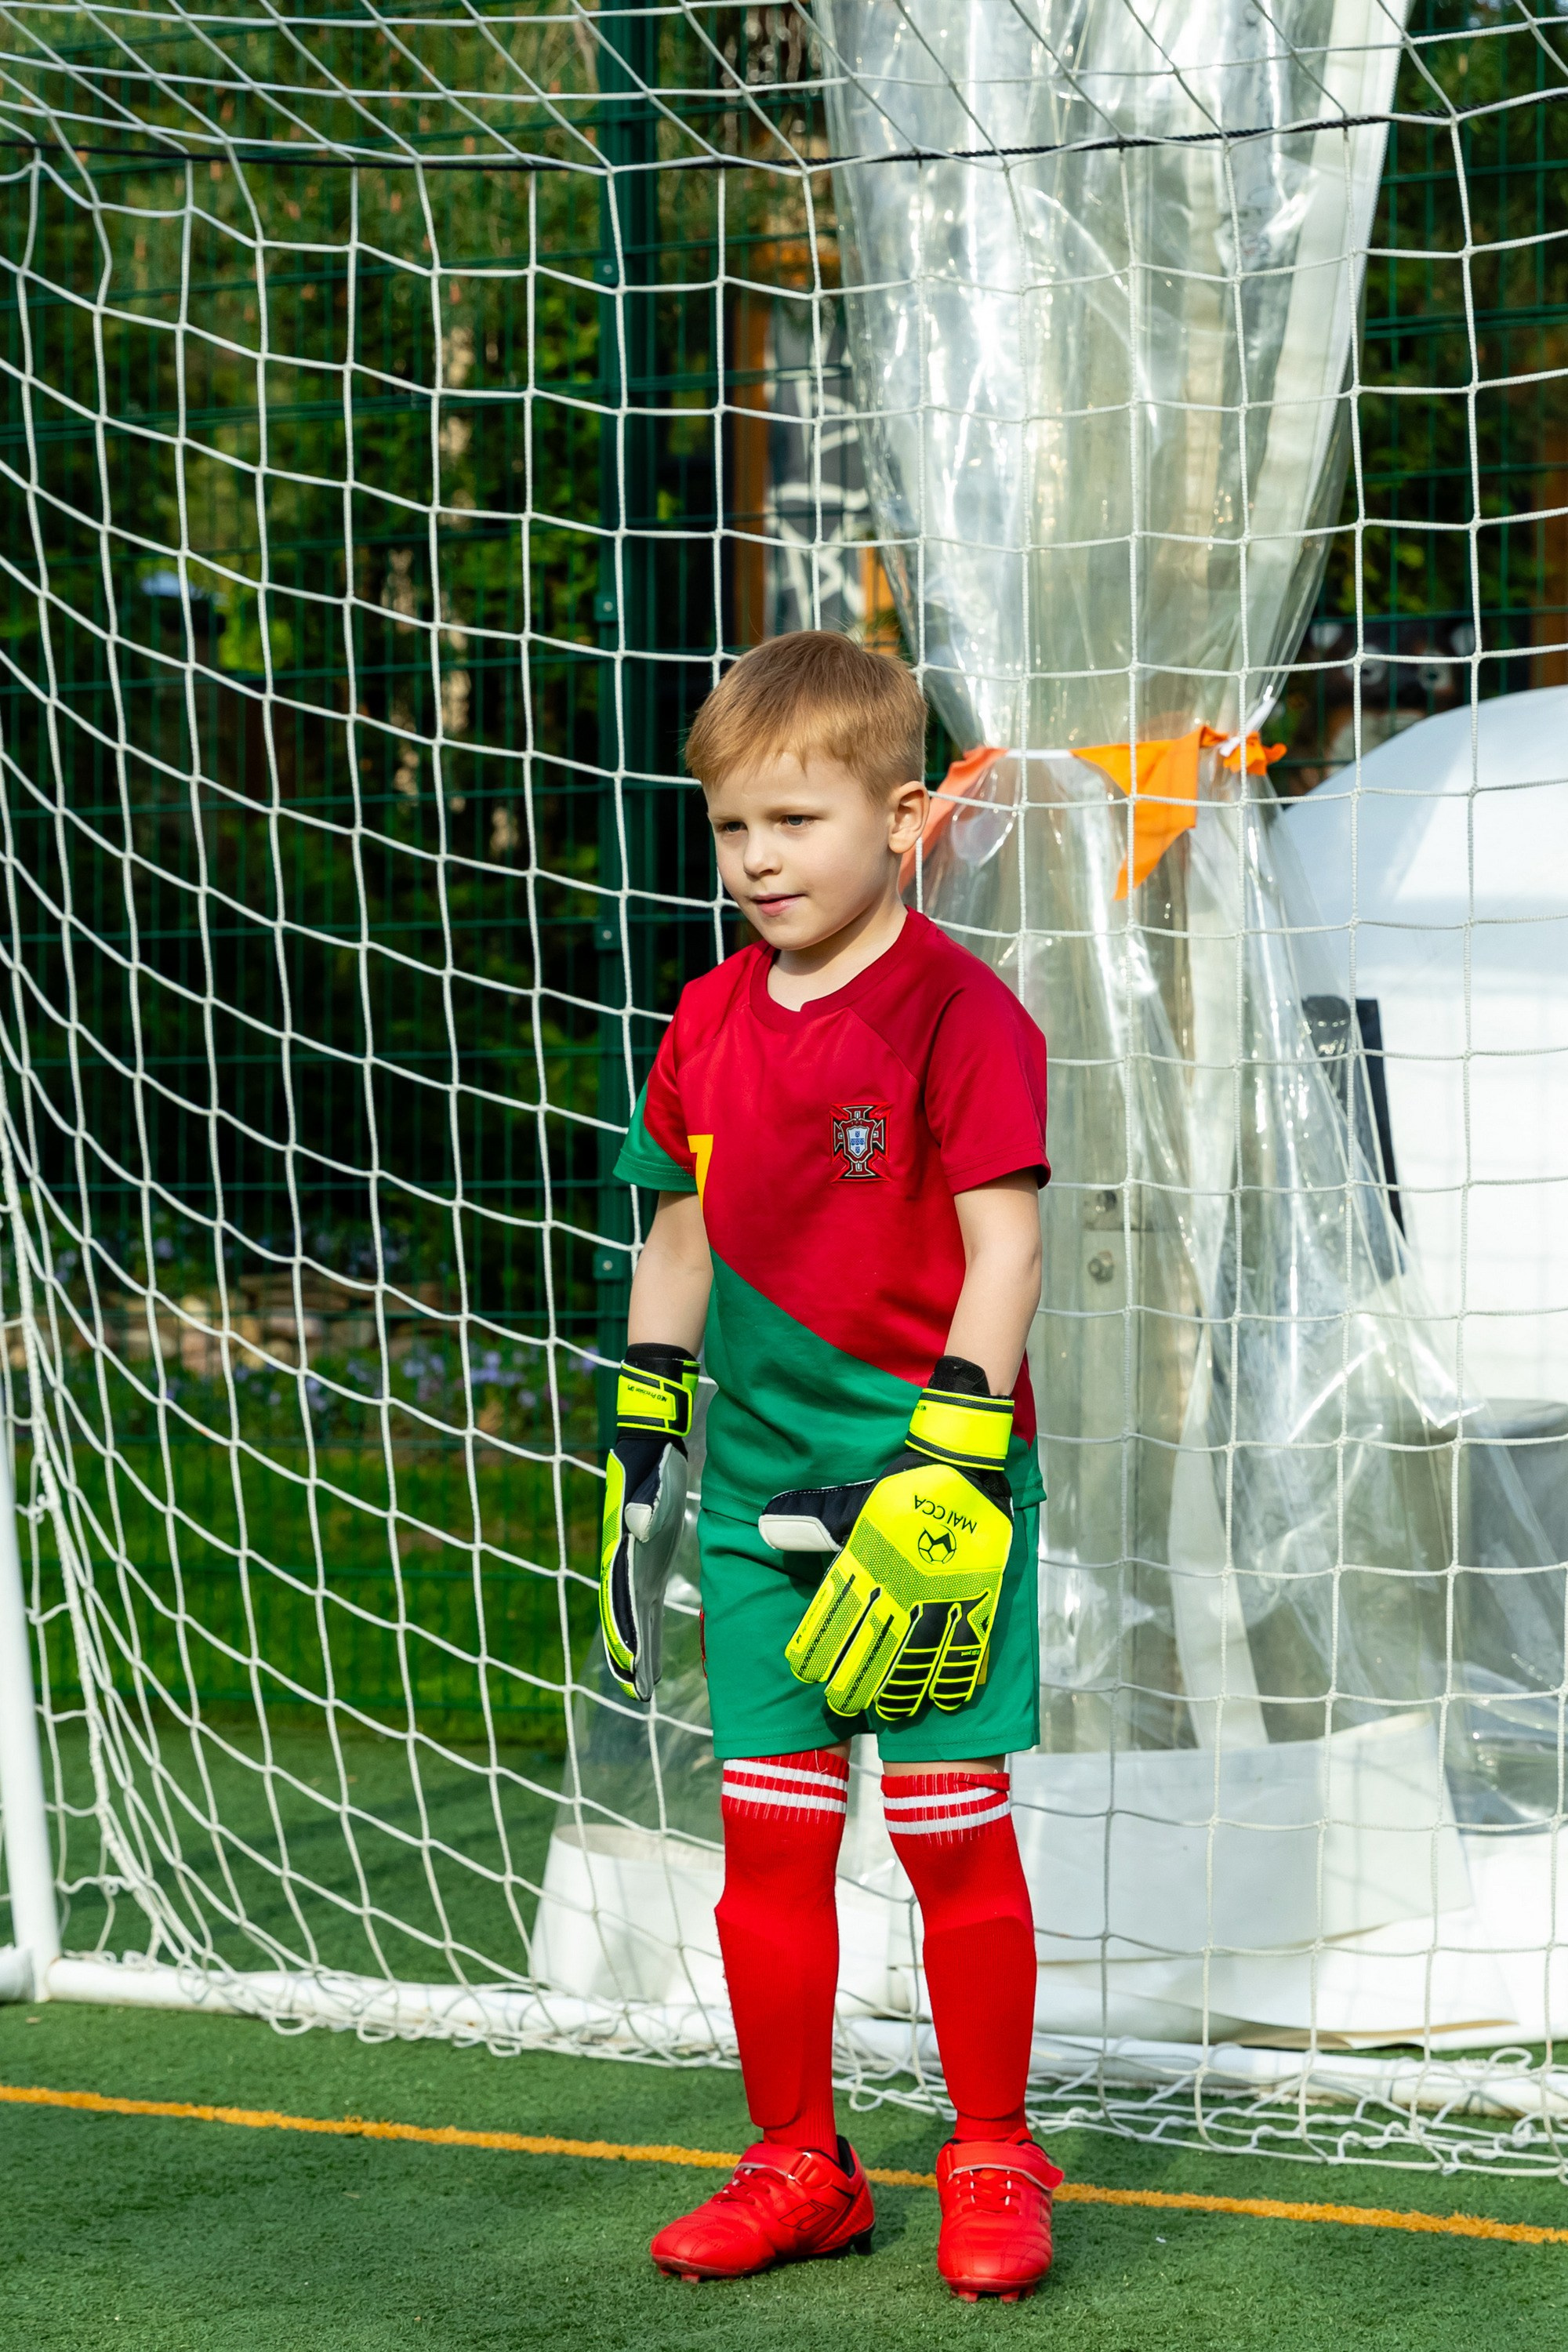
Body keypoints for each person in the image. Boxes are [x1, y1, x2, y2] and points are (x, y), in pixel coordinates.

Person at [600, 631, 1058, 2303]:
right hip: (757, 1495)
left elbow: (1004, 1251)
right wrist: (647, 1430)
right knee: (771, 1840)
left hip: (930, 1497)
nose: (760, 860)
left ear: (906, 816)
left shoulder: (960, 1011)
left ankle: (993, 2156)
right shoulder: (707, 1018)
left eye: (795, 821)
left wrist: (950, 1455)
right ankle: (800, 2160)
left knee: (946, 1832)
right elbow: (680, 1231)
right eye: (732, 830)